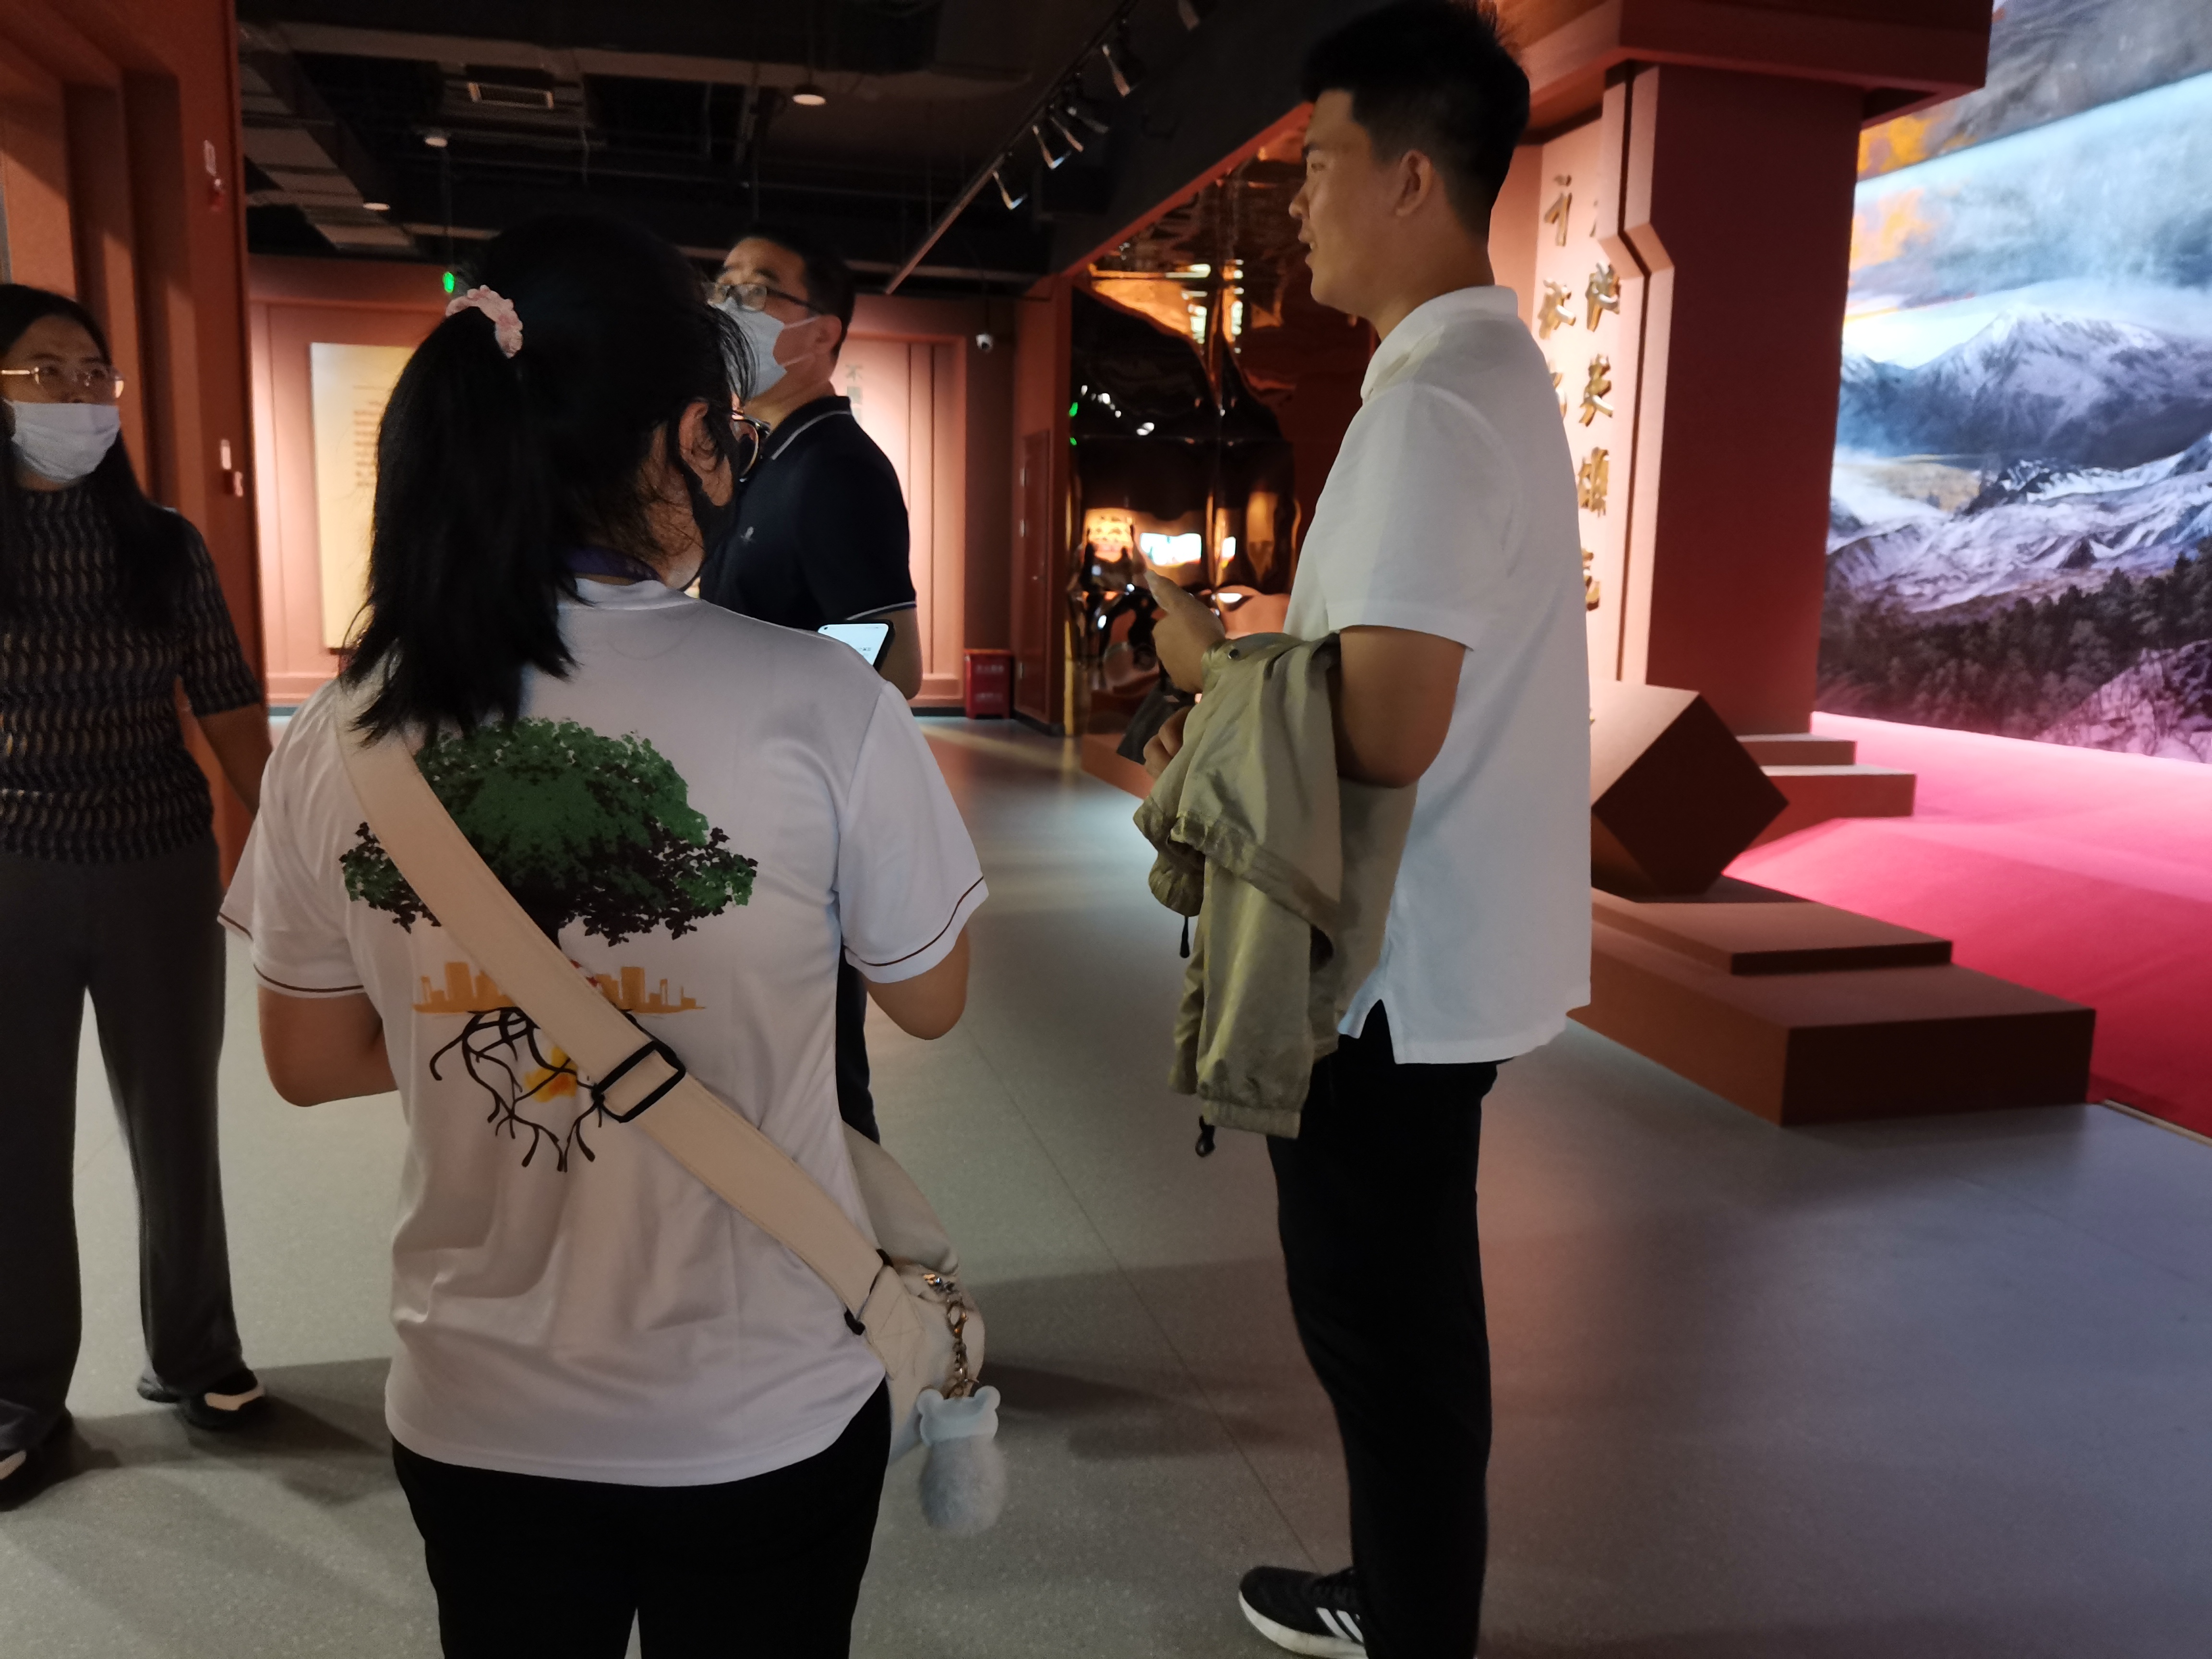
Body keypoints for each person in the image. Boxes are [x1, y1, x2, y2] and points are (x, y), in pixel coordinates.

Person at [222, 216, 986, 1658]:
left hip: (477, 1405)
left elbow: (308, 1058)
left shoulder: (344, 731)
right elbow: (930, 997)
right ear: (688, 440)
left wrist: (498, 1017)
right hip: (759, 1405)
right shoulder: (825, 707)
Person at [1146, 6, 1590, 1655]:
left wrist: (1206, 665)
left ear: (1411, 176)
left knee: (1379, 1329)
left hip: (1386, 965)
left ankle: (1410, 1624)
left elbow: (1387, 727)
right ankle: (1401, 1598)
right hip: (1433, 947)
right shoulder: (1477, 371)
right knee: (1406, 1317)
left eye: (1319, 164)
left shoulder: (1429, 405)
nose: (1297, 206)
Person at [0, 286, 273, 1506]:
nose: (77, 394)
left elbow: (228, 704)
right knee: (15, 1138)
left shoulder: (164, 542)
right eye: (45, 371)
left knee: (177, 1120)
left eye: (91, 373)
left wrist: (292, 847)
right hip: (12, 869)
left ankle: (196, 1352)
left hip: (158, 860)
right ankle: (19, 1392)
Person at [700, 226, 922, 1145]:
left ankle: (853, 1231)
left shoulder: (837, 468)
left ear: (822, 332)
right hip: (740, 816)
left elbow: (887, 656)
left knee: (821, 1073)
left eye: (756, 290)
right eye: (722, 285)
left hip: (794, 831)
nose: (729, 306)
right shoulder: (758, 457)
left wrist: (777, 744)